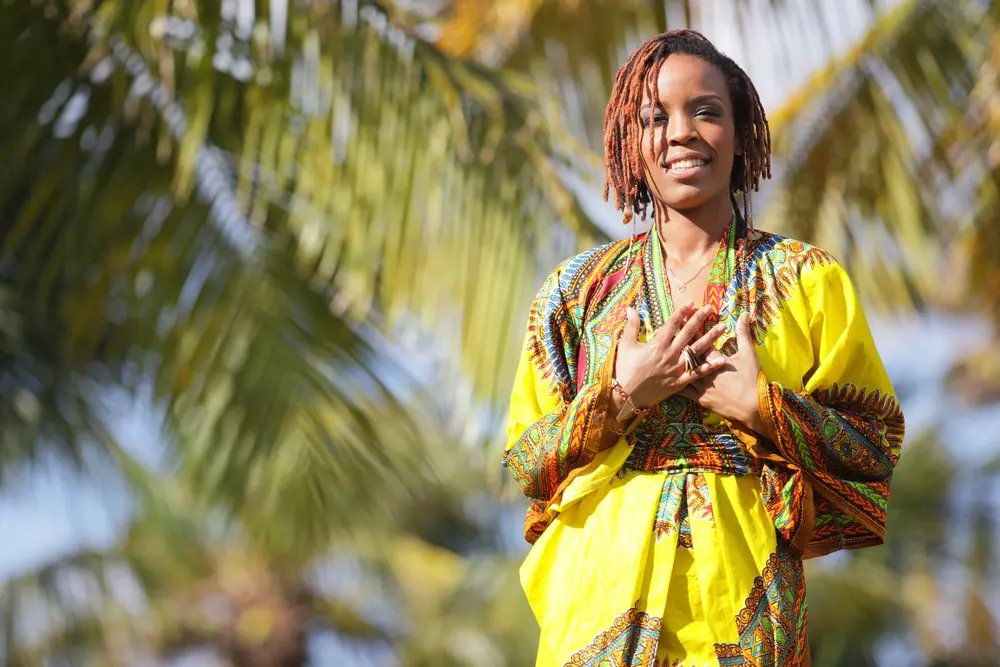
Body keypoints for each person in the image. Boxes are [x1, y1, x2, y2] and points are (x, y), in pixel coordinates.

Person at [502, 30, 905, 667]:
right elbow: (526, 458)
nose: (681, 132)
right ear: (629, 145)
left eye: (706, 111)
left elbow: (874, 447)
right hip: (598, 611)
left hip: (745, 612)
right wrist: (622, 396)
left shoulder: (807, 279)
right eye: (654, 117)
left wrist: (761, 405)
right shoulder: (573, 292)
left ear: (742, 132)